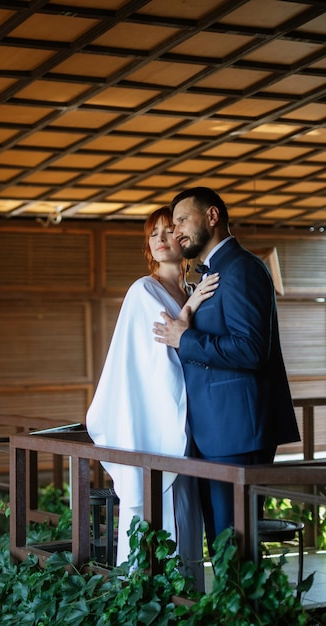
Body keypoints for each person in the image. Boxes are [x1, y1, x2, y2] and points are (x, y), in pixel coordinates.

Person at [153, 187, 300, 554]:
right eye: (174, 224)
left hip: (238, 433)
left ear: (213, 216)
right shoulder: (214, 273)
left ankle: (245, 614)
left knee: (233, 549)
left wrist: (185, 340)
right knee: (222, 548)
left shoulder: (242, 268)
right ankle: (230, 613)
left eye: (183, 220)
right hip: (214, 432)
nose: (177, 231)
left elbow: (251, 350)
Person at [86, 206, 218, 590]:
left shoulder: (192, 288)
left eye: (167, 230)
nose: (160, 238)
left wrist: (192, 301)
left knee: (187, 520)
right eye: (152, 233)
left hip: (189, 422)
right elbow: (168, 347)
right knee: (161, 519)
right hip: (159, 421)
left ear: (183, 239)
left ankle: (187, 604)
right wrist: (192, 308)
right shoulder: (143, 290)